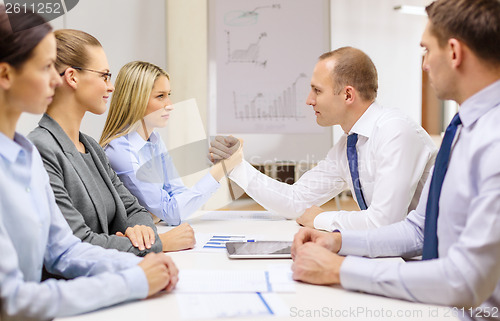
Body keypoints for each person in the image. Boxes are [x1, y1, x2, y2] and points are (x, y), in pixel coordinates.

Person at [291, 0, 500, 314]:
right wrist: (338, 242)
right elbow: (418, 230)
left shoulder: (493, 139)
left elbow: (465, 280)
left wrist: (339, 270)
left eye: (426, 51)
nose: (424, 64)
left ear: (454, 52)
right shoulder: (461, 130)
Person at [0, 7, 177, 320]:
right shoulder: (40, 148)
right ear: (5, 74)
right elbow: (11, 299)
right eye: (45, 68)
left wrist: (142, 262)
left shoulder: (25, 153)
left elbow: (64, 249)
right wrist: (135, 275)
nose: (56, 80)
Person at [209, 47, 437, 231]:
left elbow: (384, 223)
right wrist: (236, 165)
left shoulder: (395, 132)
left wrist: (320, 219)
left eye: (317, 91)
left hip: (425, 264)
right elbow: (295, 200)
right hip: (389, 258)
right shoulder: (348, 147)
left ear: (348, 95)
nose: (309, 100)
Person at [28, 29, 195, 254]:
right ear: (72, 77)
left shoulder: (92, 148)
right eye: (104, 75)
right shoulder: (40, 149)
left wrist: (140, 231)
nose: (112, 86)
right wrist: (159, 244)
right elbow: (76, 242)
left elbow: (134, 210)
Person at [99, 61, 243, 226]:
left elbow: (177, 197)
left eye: (169, 95)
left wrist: (159, 214)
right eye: (160, 96)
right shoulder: (119, 151)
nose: (170, 105)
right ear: (135, 100)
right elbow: (173, 212)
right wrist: (220, 169)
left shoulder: (154, 140)